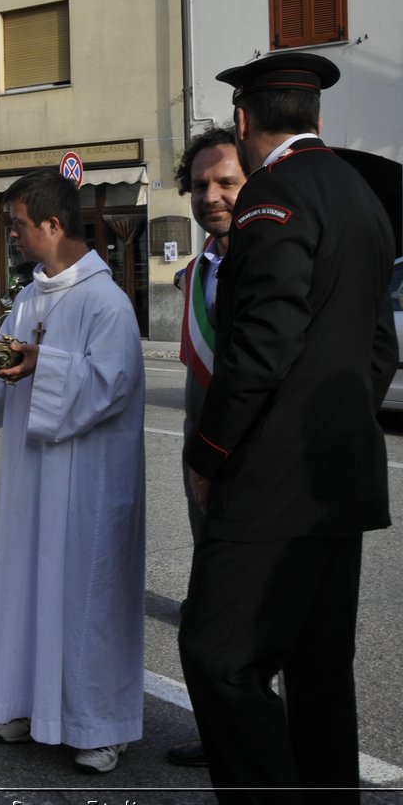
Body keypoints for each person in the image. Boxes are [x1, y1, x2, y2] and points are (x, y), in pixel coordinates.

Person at [180, 52, 397, 805]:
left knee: (217, 658)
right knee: (317, 680)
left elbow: (261, 349)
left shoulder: (274, 193)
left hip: (274, 485)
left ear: (243, 121)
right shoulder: (362, 195)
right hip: (340, 481)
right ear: (317, 118)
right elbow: (379, 351)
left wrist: (210, 454)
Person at [0, 169, 146, 775]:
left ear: (53, 223)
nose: (13, 236)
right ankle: (20, 703)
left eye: (18, 224)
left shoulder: (105, 300)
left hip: (87, 474)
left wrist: (44, 362)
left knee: (86, 589)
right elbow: (20, 367)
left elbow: (111, 384)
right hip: (31, 470)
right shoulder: (28, 296)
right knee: (25, 582)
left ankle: (99, 724)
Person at [165, 125, 246, 769]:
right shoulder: (198, 271)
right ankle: (224, 728)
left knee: (263, 604)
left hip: (255, 459)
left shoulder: (270, 256)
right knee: (215, 596)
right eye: (200, 185)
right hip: (203, 458)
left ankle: (273, 736)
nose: (212, 196)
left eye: (227, 182)